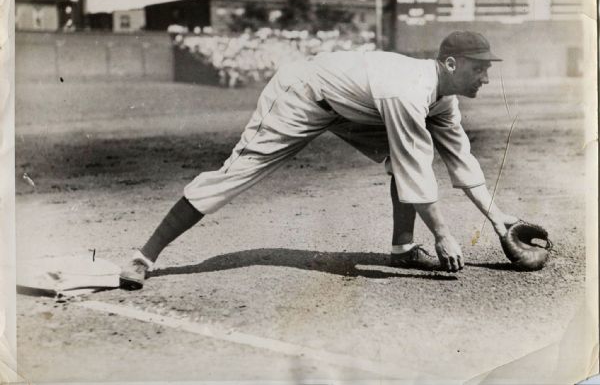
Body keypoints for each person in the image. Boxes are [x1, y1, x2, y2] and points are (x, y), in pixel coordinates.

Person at [120, 30, 519, 290]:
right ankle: (144, 257)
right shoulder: (408, 91)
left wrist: (501, 224)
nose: (485, 77)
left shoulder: (444, 101)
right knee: (237, 173)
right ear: (451, 64)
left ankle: (402, 249)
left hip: (354, 106)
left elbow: (462, 163)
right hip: (304, 93)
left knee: (409, 157)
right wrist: (444, 235)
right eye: (479, 68)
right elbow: (416, 166)